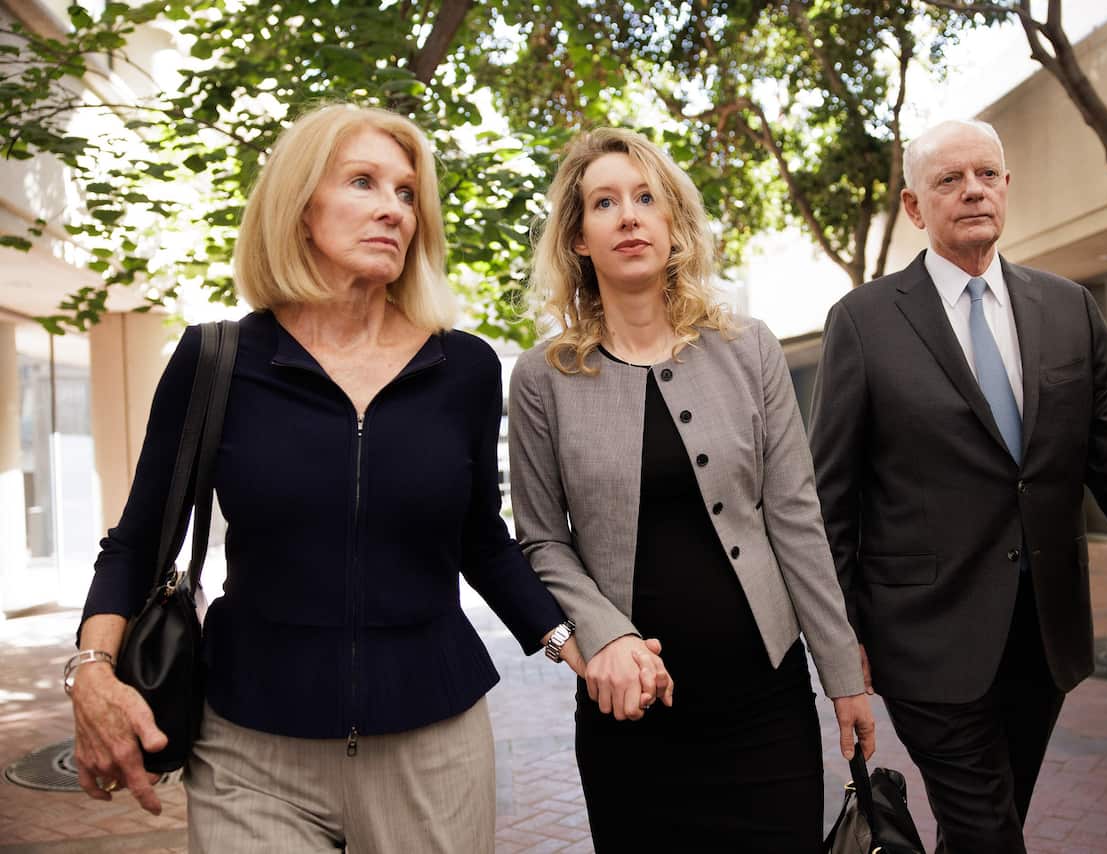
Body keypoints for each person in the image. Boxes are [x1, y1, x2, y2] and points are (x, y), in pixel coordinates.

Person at [64, 103, 580, 853]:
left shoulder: (463, 366)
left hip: (432, 744)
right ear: (300, 209)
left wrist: (578, 641)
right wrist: (91, 670)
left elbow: (482, 539)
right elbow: (140, 540)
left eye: (406, 194)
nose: (392, 210)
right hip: (251, 750)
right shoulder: (217, 361)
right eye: (364, 183)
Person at [808, 119, 1107, 854]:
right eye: (949, 180)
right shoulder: (863, 323)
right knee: (988, 829)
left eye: (987, 175)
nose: (973, 192)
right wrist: (841, 638)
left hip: (1043, 635)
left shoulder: (1067, 308)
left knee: (995, 819)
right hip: (921, 635)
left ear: (1006, 188)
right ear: (913, 206)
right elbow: (829, 497)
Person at [507, 127, 875, 853]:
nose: (630, 216)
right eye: (605, 202)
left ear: (673, 222)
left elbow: (796, 518)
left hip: (764, 703)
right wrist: (603, 634)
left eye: (647, 198)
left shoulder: (750, 348)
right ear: (579, 237)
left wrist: (842, 674)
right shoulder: (544, 376)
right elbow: (542, 538)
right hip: (630, 713)